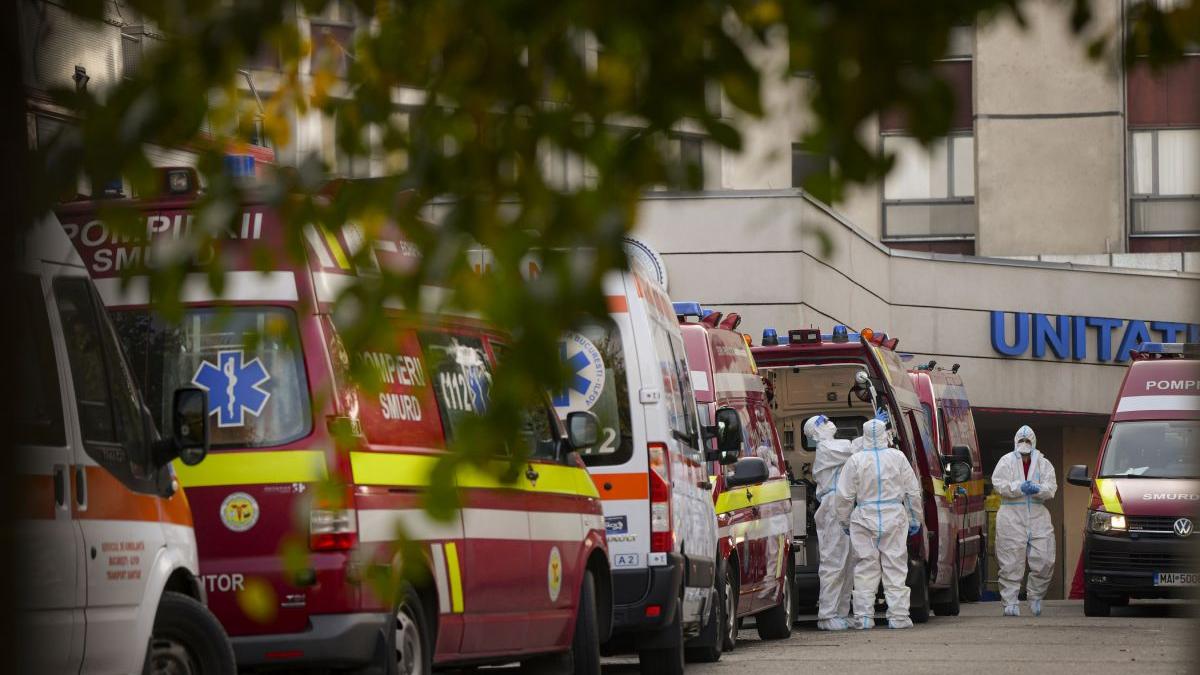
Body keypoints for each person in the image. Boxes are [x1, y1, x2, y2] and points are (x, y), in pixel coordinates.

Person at [834, 413, 922, 630]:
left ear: (863, 435)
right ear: (886, 434)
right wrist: (914, 518)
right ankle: (898, 617)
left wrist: (845, 521)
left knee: (865, 567)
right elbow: (912, 491)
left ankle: (864, 617)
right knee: (895, 566)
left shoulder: (855, 460)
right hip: (894, 516)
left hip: (864, 517)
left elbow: (844, 496)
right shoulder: (897, 457)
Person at [991, 425, 1057, 617]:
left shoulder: (1044, 464)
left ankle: (1035, 596)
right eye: (1021, 440)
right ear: (1015, 442)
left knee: (1044, 559)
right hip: (1011, 515)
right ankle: (1010, 602)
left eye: (1028, 441)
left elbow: (1051, 488)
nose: (1025, 444)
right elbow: (999, 484)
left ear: (1034, 442)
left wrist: (1037, 489)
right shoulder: (1006, 461)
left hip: (1038, 515)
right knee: (1010, 560)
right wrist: (1019, 487)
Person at [803, 414, 862, 631]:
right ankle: (827, 615)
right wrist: (873, 431)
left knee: (848, 562)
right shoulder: (826, 448)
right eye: (823, 422)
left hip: (844, 503)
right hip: (833, 506)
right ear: (816, 432)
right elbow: (853, 449)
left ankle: (841, 612)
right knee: (834, 562)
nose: (829, 423)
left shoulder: (833, 446)